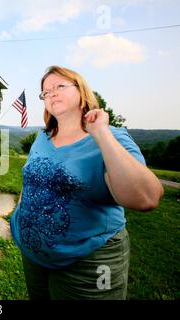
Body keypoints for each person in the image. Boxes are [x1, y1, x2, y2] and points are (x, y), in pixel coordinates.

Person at [10, 66, 164, 300]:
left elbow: (146, 198)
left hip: (87, 263)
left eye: (59, 86)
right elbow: (31, 178)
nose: (50, 94)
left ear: (82, 92)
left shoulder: (112, 136)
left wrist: (100, 133)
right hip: (34, 256)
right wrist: (21, 211)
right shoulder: (43, 137)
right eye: (45, 92)